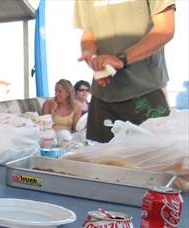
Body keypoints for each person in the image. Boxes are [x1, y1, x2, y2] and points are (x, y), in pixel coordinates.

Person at [74, 0, 175, 142]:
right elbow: (89, 33)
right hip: (103, 94)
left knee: (156, 157)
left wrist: (122, 59)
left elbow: (165, 29)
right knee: (100, 159)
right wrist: (91, 55)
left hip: (145, 90)